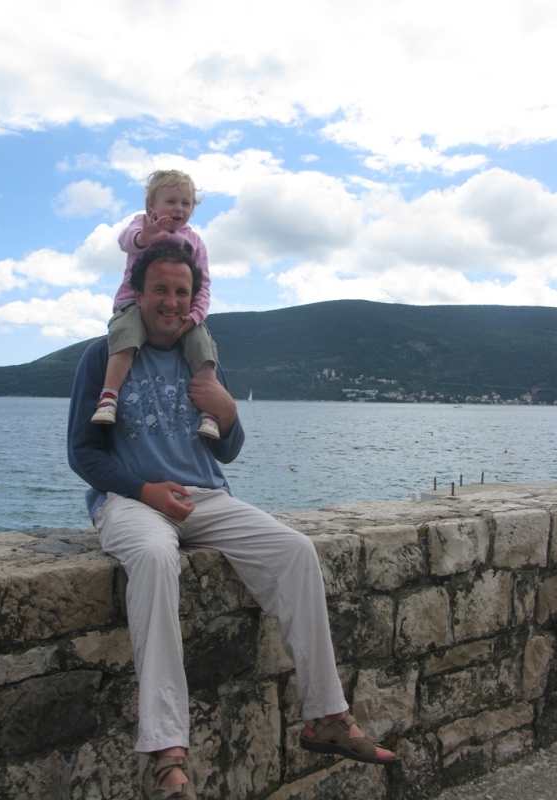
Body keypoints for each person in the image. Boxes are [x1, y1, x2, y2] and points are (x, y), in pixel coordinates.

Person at [68, 243, 399, 800]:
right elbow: (83, 453)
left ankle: (326, 715)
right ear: (138, 295)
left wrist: (229, 413)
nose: (171, 302)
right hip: (130, 498)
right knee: (154, 557)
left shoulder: (202, 356)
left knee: (296, 550)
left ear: (193, 299)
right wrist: (145, 490)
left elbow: (226, 450)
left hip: (204, 495)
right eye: (160, 289)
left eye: (182, 291)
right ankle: (166, 753)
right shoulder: (104, 354)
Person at [91, 168, 220, 440]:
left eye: (186, 203)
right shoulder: (143, 225)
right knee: (126, 334)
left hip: (185, 316)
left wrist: (196, 315)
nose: (178, 208)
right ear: (152, 205)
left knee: (202, 345)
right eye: (171, 201)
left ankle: (211, 411)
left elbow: (203, 284)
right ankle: (109, 397)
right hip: (132, 304)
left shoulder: (195, 242)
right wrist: (144, 238)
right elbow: (125, 241)